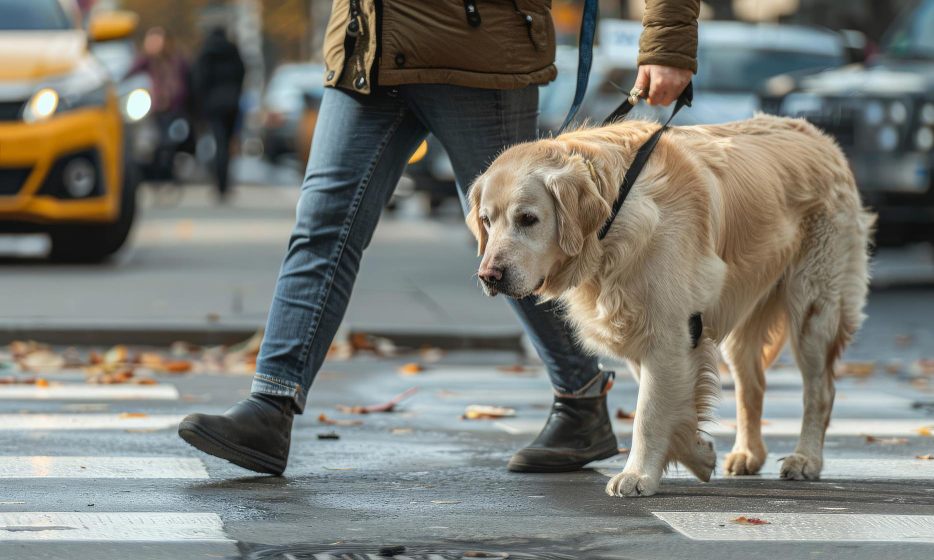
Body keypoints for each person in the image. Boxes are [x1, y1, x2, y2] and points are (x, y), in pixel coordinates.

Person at [179, 0, 701, 476]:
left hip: (477, 49)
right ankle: (271, 406)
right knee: (321, 226)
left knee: (530, 238)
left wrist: (668, 41)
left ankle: (582, 399)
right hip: (368, 47)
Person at [126, 27, 192, 181]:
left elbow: (186, 80)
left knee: (169, 141)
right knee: (159, 140)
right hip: (158, 106)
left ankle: (167, 172)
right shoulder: (149, 59)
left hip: (175, 106)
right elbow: (133, 71)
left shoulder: (176, 59)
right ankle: (161, 173)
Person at [193, 26, 246, 200]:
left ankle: (220, 184)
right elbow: (241, 73)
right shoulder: (233, 51)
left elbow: (199, 80)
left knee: (219, 143)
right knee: (227, 144)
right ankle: (225, 183)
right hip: (231, 103)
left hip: (214, 105)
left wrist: (203, 104)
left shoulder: (206, 52)